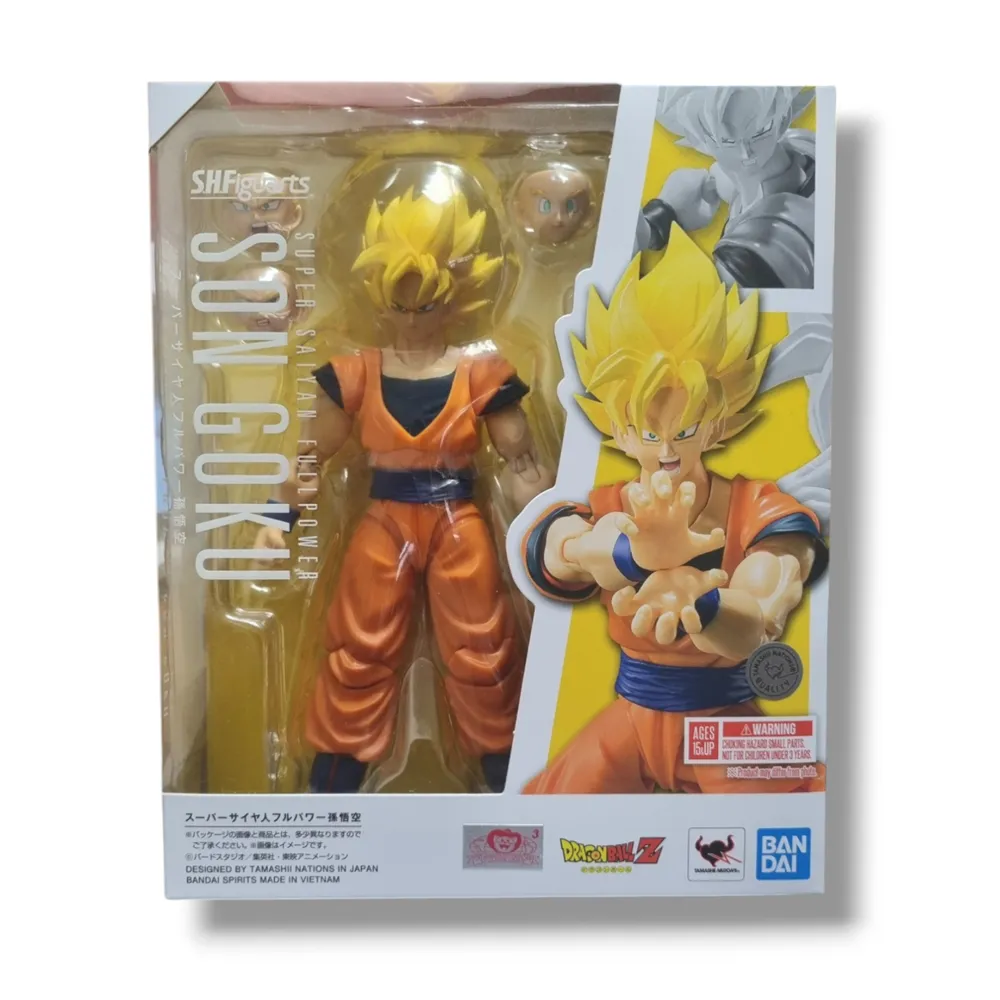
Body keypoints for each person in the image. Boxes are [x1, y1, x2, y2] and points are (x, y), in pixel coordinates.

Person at [521, 224, 827, 794]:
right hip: (630, 721)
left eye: (683, 429)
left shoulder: (760, 508)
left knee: (797, 815)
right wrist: (629, 553)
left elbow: (761, 612)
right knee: (545, 816)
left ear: (717, 422)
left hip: (723, 727)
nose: (665, 449)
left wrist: (700, 602)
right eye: (646, 430)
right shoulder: (607, 507)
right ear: (618, 428)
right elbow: (559, 548)